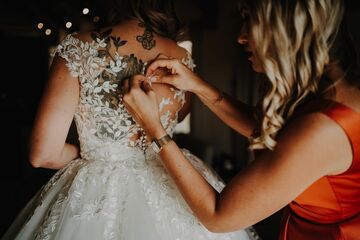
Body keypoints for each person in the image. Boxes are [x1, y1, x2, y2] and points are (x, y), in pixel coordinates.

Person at [1, 1, 262, 240]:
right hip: (171, 178)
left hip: (97, 187)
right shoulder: (180, 57)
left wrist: (97, 149)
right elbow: (179, 116)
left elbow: (43, 154)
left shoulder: (77, 48)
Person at [122, 0, 360, 239]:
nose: (241, 37)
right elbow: (266, 131)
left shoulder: (322, 128)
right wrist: (197, 85)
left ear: (288, 27)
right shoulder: (328, 89)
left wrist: (153, 127)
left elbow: (218, 216)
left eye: (250, 20)